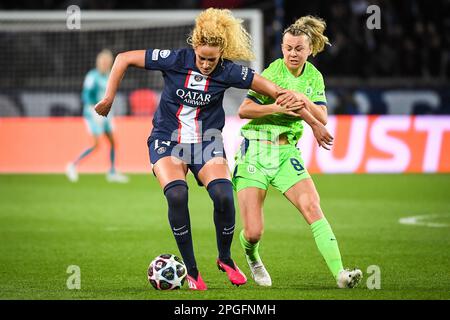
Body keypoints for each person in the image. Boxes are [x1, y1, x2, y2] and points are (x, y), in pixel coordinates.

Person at [94, 9, 332, 290]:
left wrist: (314, 122)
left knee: (222, 194)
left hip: (207, 140)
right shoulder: (174, 59)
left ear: (222, 52)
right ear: (194, 47)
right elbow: (123, 59)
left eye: (212, 59)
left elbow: (280, 94)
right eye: (202, 58)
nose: (206, 64)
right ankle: (192, 271)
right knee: (178, 194)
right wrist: (109, 97)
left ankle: (225, 258)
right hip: (168, 139)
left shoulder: (229, 70)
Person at [233, 16, 362, 288]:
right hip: (254, 151)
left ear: (309, 49)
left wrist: (303, 101)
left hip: (285, 152)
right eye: (288, 48)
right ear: (281, 48)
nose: (292, 53)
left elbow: (323, 116)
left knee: (313, 207)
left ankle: (341, 273)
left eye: (298, 49)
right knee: (253, 232)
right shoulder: (272, 73)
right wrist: (276, 108)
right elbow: (244, 110)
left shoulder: (314, 77)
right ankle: (252, 256)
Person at [66, 49, 129, 183]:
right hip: (93, 113)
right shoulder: (92, 76)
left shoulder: (109, 76)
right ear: (98, 62)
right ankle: (72, 165)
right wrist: (95, 108)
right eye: (102, 61)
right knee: (96, 144)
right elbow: (85, 96)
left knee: (113, 142)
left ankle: (112, 172)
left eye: (107, 62)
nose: (105, 64)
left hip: (106, 114)